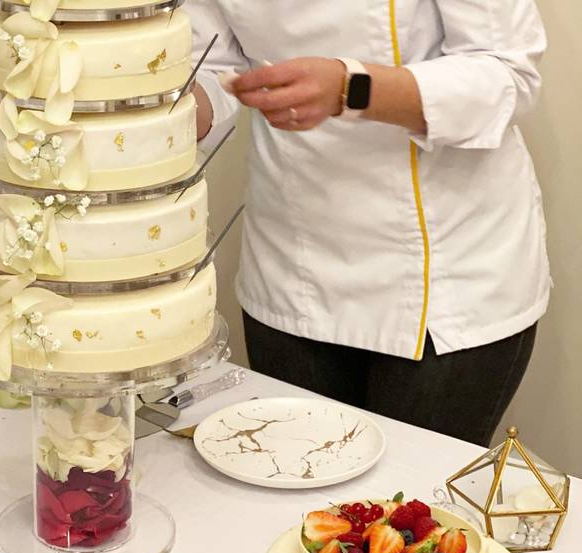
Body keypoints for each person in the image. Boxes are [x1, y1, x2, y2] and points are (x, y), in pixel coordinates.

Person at [188, 0, 549, 446]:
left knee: (410, 506)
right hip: (291, 270)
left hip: (448, 281)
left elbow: (508, 75)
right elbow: (210, 65)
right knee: (296, 506)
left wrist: (351, 88)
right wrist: (150, 111)